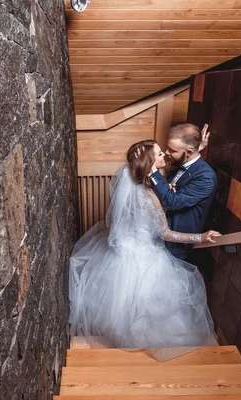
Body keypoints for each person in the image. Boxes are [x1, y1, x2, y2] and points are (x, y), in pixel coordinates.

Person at [68, 140, 220, 354]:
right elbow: (166, 233)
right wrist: (201, 237)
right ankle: (138, 340)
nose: (164, 156)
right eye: (159, 154)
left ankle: (122, 335)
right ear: (149, 162)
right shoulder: (149, 196)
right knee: (145, 306)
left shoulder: (130, 182)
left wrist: (197, 147)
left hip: (124, 251)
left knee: (123, 305)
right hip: (146, 255)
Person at [149, 123, 217, 261]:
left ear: (189, 152)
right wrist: (199, 147)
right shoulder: (181, 162)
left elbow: (171, 202)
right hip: (160, 234)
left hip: (176, 245)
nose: (167, 152)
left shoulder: (206, 178)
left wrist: (152, 172)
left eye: (173, 150)